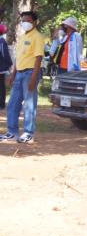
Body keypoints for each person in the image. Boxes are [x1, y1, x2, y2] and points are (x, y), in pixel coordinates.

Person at [1, 11, 46, 144]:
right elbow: (18, 58)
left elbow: (38, 58)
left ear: (35, 22)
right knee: (12, 104)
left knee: (29, 104)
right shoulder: (22, 37)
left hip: (30, 73)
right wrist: (13, 74)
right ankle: (12, 132)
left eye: (28, 21)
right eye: (23, 21)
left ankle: (28, 133)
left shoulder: (37, 37)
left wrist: (33, 78)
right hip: (19, 73)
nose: (25, 23)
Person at [0, 25, 10, 111]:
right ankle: (2, 104)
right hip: (1, 67)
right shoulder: (2, 41)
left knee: (1, 85)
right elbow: (5, 54)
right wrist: (9, 64)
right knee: (1, 86)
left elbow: (4, 54)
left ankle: (2, 104)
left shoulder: (2, 41)